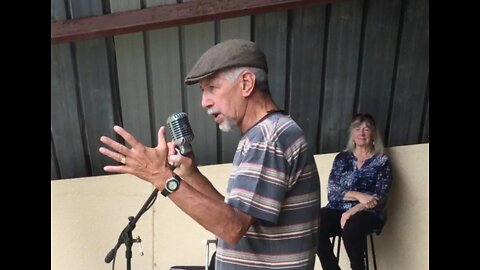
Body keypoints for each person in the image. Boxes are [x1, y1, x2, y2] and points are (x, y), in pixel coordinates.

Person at [99, 39, 321, 270]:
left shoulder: (267, 138)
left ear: (246, 83)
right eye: (202, 91)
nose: (204, 102)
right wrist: (191, 174)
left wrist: (161, 177)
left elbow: (232, 229)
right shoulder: (267, 133)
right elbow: (235, 217)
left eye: (212, 88)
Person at [316, 113, 393, 270]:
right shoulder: (342, 158)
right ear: (352, 134)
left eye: (366, 129)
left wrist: (353, 210)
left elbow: (380, 196)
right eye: (357, 129)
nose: (361, 133)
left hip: (369, 213)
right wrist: (359, 195)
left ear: (373, 134)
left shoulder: (382, 162)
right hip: (337, 209)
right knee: (313, 223)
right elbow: (333, 190)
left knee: (352, 229)